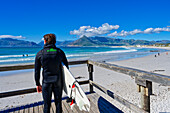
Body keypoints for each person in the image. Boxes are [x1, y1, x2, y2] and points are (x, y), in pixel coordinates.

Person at [34, 33, 68, 113]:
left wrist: (37, 84)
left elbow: (37, 71)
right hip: (58, 82)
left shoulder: (40, 54)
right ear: (55, 42)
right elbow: (66, 68)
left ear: (45, 41)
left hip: (46, 82)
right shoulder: (60, 52)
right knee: (58, 103)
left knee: (47, 105)